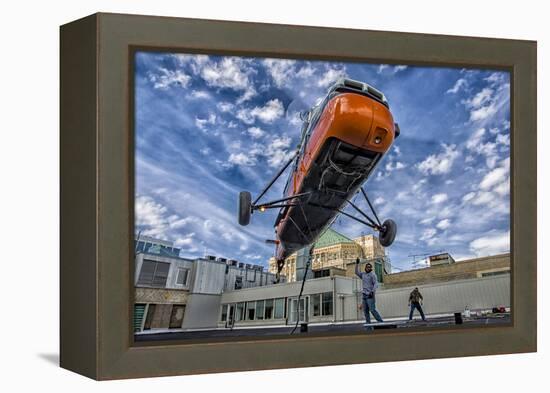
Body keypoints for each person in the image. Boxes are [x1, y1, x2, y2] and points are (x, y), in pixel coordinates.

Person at [355, 258, 383, 326]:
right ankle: (368, 324)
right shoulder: (363, 274)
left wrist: (372, 292)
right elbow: (356, 272)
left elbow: (376, 284)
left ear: (371, 268)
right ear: (365, 268)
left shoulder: (373, 275)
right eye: (367, 267)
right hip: (364, 295)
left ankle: (381, 322)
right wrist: (357, 264)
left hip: (370, 295)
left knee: (372, 310)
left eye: (369, 267)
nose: (368, 268)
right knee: (365, 311)